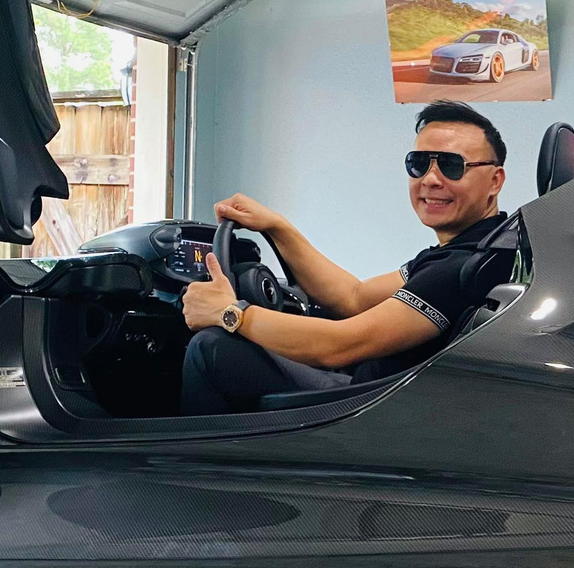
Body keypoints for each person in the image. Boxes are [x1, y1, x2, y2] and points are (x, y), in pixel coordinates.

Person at [180, 101, 513, 415]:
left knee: (211, 349)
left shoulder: (461, 267)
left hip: (367, 410)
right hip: (378, 397)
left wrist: (230, 313)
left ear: (494, 181)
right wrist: (278, 227)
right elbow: (353, 298)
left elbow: (338, 346)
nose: (430, 180)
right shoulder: (474, 249)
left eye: (452, 166)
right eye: (419, 164)